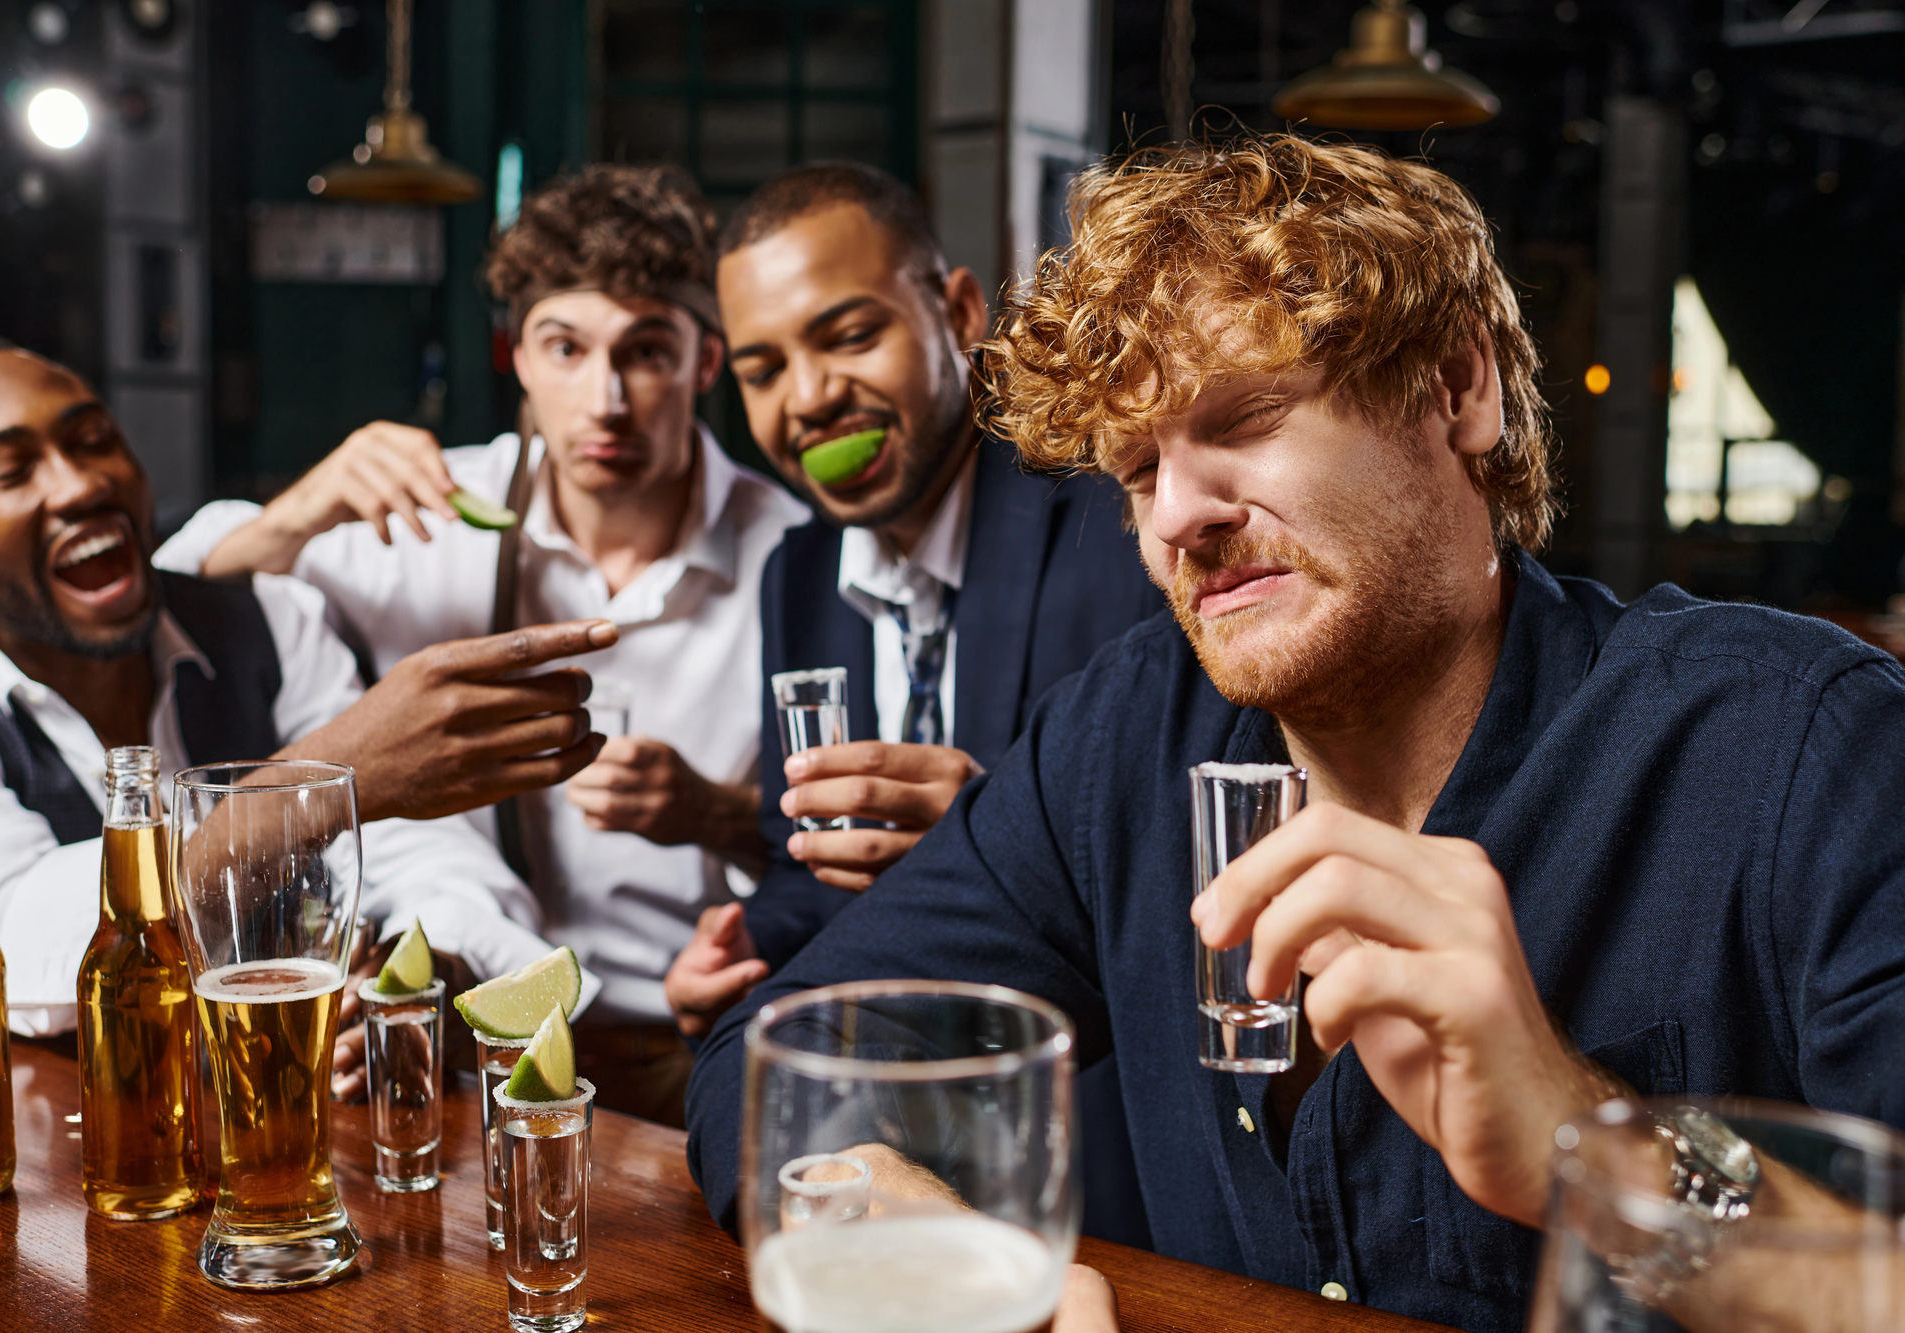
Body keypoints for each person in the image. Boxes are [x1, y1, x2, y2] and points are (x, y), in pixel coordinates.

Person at [683, 137, 1905, 1332]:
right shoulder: (1118, 742)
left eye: (1245, 418)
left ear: (1455, 388)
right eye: (1132, 468)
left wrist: (1586, 1144)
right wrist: (913, 1246)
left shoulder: (1797, 747)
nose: (1178, 515)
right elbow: (770, 1055)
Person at [158, 164, 810, 1126]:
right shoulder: (430, 515)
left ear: (705, 362)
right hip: (461, 1040)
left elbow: (852, 833)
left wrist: (716, 813)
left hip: (695, 1044)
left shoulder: (789, 552)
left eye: (647, 351)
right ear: (519, 355)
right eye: (566, 347)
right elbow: (178, 619)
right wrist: (295, 512)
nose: (607, 399)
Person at [661, 163, 1166, 1248]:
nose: (805, 399)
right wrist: (751, 943)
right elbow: (811, 865)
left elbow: (1193, 865)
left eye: (846, 336)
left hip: (1101, 1184)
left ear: (958, 313)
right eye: (760, 369)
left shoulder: (1115, 524)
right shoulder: (796, 574)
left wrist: (1008, 833)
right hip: (880, 1173)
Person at [0, 335, 611, 1044]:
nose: (80, 484)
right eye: (9, 471)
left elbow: (428, 861)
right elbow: (8, 943)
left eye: (92, 439)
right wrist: (320, 785)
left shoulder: (267, 620)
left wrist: (415, 977)